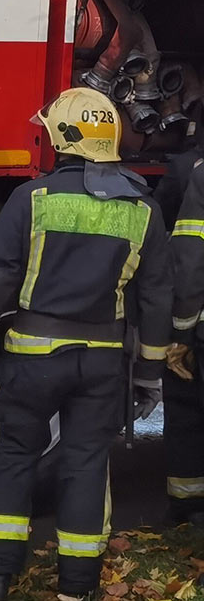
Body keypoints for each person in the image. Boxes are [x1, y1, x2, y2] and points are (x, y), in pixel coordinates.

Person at [0, 87, 172, 601]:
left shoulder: (30, 199)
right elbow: (157, 297)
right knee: (87, 464)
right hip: (101, 366)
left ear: (60, 138)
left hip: (32, 360)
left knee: (11, 455)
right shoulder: (143, 209)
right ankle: (77, 587)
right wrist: (148, 373)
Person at [155, 137, 204, 526]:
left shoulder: (196, 172)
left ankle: (188, 505)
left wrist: (181, 335)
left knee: (186, 402)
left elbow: (189, 261)